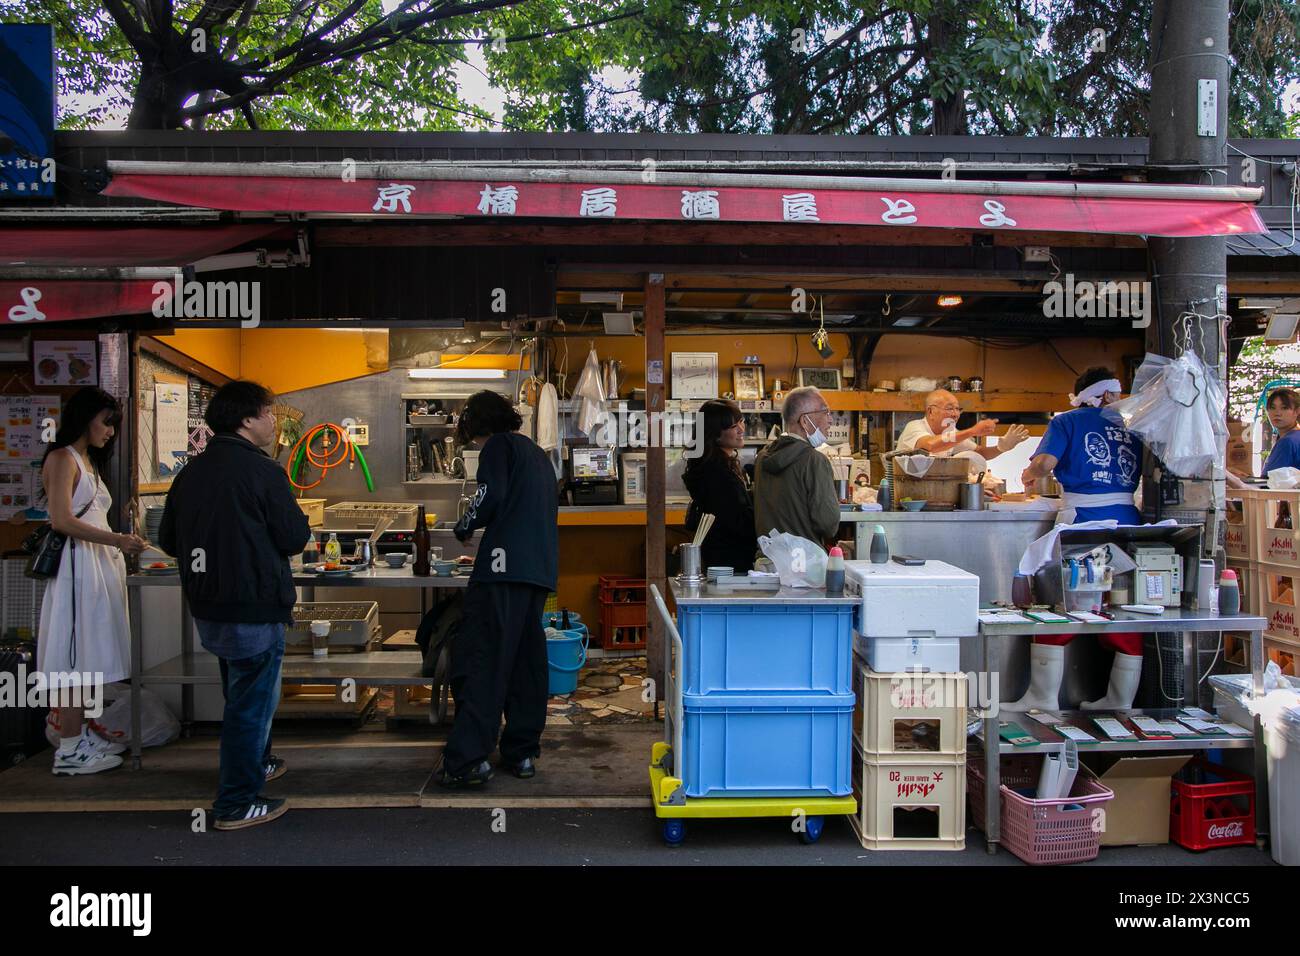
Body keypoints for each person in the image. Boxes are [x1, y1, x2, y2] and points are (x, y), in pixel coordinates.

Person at [160, 380, 310, 830]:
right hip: (254, 604)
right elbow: (294, 537)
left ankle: (258, 763)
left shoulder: (191, 471)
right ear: (248, 419)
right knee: (251, 704)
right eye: (269, 414)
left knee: (239, 691)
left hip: (209, 606)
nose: (273, 423)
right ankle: (237, 802)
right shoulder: (263, 471)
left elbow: (167, 538)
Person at [1006, 367, 1144, 712]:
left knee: (1062, 606)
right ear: (1110, 393)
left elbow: (1046, 462)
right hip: (1129, 526)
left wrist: (1030, 472)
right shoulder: (1134, 424)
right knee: (1125, 608)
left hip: (1088, 527)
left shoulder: (1067, 421)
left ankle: (1042, 698)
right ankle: (1120, 701)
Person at [442, 390, 558, 787]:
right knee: (526, 664)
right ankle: (522, 751)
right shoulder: (536, 454)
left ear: (476, 425)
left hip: (501, 572)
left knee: (483, 661)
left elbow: (491, 496)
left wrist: (465, 524)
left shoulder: (498, 448)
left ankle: (467, 760)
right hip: (535, 572)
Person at [39, 387, 148, 776]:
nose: (110, 432)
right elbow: (61, 520)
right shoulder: (63, 458)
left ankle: (80, 735)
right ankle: (69, 749)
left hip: (96, 568)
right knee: (74, 662)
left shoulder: (87, 461)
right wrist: (118, 539)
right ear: (85, 418)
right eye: (107, 422)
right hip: (77, 570)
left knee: (90, 658)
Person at [753, 386, 841, 548]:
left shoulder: (762, 457)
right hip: (803, 563)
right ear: (805, 421)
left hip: (768, 559)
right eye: (825, 412)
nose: (830, 420)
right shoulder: (814, 461)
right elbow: (828, 524)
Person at [683, 399, 757, 574]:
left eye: (741, 422)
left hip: (721, 557)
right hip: (729, 563)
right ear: (715, 434)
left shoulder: (715, 465)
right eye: (733, 426)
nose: (741, 430)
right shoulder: (716, 473)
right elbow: (737, 520)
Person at [895, 389, 1029, 473]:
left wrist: (1002, 447)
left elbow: (981, 453)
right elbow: (930, 445)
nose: (955, 414)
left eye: (957, 409)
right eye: (949, 408)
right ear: (931, 411)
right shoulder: (915, 427)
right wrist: (972, 431)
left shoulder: (951, 432)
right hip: (906, 494)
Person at [1227, 388, 1300, 488]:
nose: (1277, 413)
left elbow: (1267, 486)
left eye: (1284, 408)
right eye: (1272, 407)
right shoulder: (1294, 437)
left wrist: (1230, 477)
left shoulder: (1288, 442)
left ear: (1297, 411)